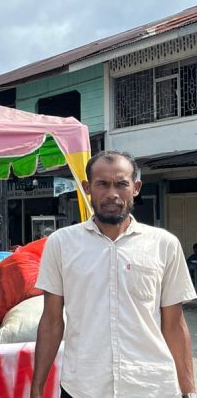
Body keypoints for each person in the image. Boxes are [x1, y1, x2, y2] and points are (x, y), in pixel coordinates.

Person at [31, 151, 197, 398]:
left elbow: (174, 325)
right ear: (87, 188)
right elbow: (51, 323)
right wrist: (37, 388)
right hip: (83, 387)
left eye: (121, 184)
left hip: (151, 386)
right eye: (102, 184)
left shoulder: (164, 245)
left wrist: (189, 389)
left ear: (136, 188)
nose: (112, 194)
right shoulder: (61, 244)